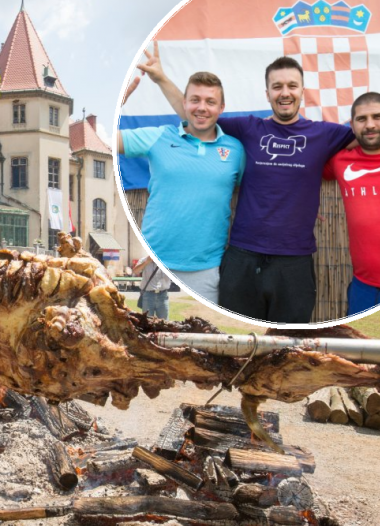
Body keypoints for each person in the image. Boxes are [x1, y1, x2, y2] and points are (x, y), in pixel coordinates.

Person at [131, 44, 355, 323]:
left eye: (292, 86)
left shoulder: (325, 134)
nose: (284, 92)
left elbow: (370, 139)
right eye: (277, 86)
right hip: (242, 258)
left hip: (294, 261)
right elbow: (198, 116)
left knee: (289, 345)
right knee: (233, 339)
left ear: (301, 91)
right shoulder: (247, 129)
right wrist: (161, 78)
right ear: (267, 93)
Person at [118, 71, 245, 305]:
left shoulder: (236, 150)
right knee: (153, 338)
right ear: (184, 103)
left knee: (204, 338)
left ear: (221, 107)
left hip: (205, 268)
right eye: (195, 100)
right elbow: (104, 141)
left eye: (210, 101)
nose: (202, 108)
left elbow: (259, 187)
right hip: (156, 263)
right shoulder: (159, 136)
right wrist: (119, 102)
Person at [323, 92, 380, 316]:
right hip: (363, 285)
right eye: (362, 119)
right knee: (360, 348)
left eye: (377, 116)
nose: (370, 125)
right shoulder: (340, 161)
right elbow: (303, 169)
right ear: (352, 125)